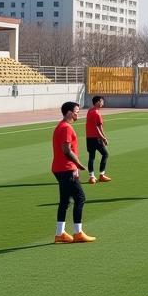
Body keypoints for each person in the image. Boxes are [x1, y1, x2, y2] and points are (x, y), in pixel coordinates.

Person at [52, 101, 95, 243]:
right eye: (76, 111)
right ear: (69, 112)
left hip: (60, 168)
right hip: (66, 168)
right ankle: (77, 232)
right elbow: (66, 150)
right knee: (80, 198)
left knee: (65, 201)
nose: (78, 113)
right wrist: (78, 164)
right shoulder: (66, 128)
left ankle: (60, 233)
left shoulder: (60, 126)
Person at [85, 95, 112, 185]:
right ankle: (101, 175)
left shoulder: (90, 111)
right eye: (102, 101)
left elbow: (94, 126)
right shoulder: (97, 113)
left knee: (91, 157)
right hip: (97, 138)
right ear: (97, 102)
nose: (103, 103)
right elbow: (99, 128)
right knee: (105, 154)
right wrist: (104, 138)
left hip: (89, 138)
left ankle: (92, 177)